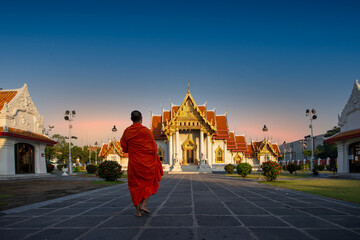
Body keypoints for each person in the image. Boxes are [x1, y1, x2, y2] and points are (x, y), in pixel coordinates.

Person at [120, 110, 163, 217]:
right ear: (141, 119)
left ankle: (138, 211)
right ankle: (144, 204)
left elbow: (124, 148)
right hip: (147, 165)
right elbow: (154, 148)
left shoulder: (127, 131)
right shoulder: (146, 131)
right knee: (148, 183)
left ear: (131, 119)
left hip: (134, 164)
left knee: (135, 187)